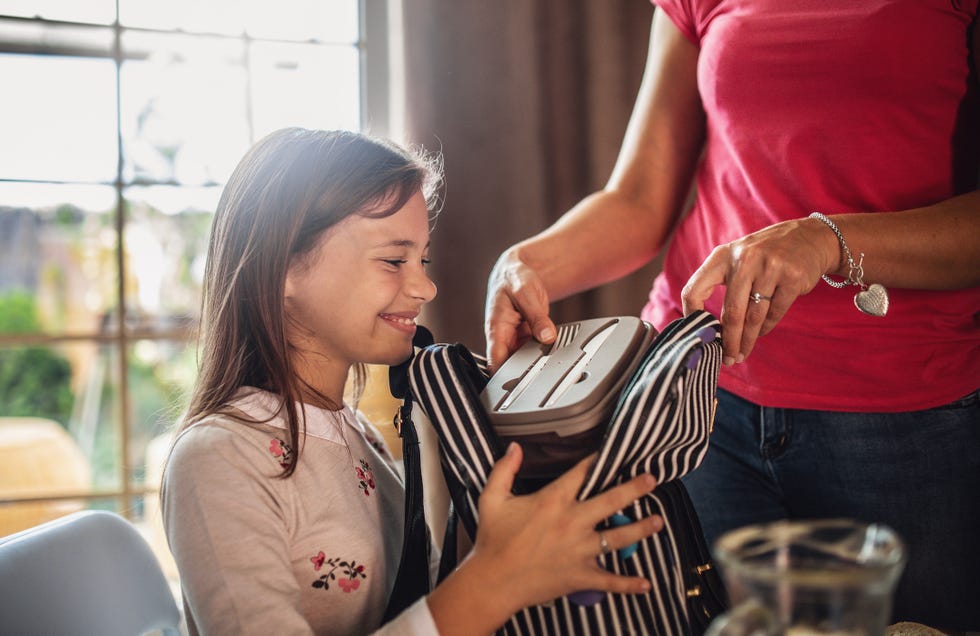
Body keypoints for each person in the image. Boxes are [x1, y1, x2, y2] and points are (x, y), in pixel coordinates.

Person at [484, 2, 980, 630]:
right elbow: (638, 198)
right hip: (696, 398)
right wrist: (527, 264)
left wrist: (826, 239)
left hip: (902, 417)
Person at [160, 127, 664, 635]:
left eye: (421, 260)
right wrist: (496, 581)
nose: (425, 286)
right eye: (393, 261)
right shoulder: (219, 458)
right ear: (284, 267)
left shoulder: (360, 436)